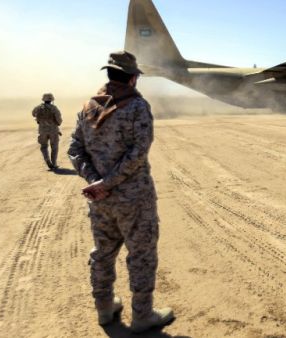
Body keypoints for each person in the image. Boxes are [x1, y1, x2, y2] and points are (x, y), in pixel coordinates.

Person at [67, 51, 174, 333]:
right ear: (133, 78)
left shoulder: (90, 107)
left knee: (103, 252)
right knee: (141, 254)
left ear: (109, 74)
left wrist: (95, 181)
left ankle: (104, 309)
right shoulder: (137, 106)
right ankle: (143, 316)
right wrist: (108, 182)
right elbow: (138, 153)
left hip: (100, 200)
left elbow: (74, 149)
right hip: (134, 198)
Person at [32, 93, 62, 169]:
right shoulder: (54, 108)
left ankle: (47, 159)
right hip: (53, 131)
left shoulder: (38, 108)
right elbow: (59, 120)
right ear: (51, 100)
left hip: (42, 130)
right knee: (54, 147)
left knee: (44, 146)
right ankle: (54, 163)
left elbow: (33, 114)